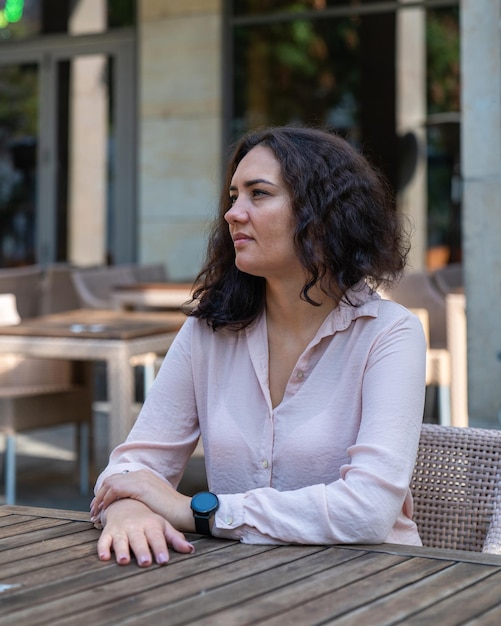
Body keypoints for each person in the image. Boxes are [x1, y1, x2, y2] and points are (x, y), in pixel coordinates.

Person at [90, 126, 427, 567]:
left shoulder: (389, 334)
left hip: (375, 584)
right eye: (233, 196)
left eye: (258, 194)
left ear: (324, 213)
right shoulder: (209, 330)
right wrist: (128, 508)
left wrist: (197, 511)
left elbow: (366, 511)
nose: (233, 213)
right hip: (240, 580)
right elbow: (132, 468)